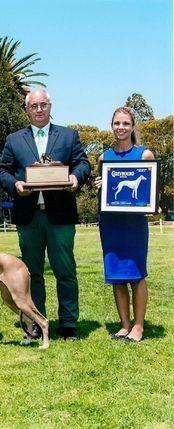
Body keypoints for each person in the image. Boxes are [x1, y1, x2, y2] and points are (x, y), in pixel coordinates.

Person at [0, 89, 90, 341]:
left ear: (50, 106)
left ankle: (69, 323)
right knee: (31, 273)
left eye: (43, 105)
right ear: (26, 110)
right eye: (34, 106)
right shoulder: (14, 139)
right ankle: (36, 323)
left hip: (60, 216)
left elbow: (83, 164)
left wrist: (75, 177)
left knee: (65, 271)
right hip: (29, 216)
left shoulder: (69, 136)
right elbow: (3, 171)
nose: (39, 110)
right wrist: (14, 185)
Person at [94, 107, 154, 342]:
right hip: (110, 223)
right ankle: (124, 325)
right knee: (116, 274)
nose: (121, 127)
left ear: (132, 127)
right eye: (117, 123)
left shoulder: (144, 155)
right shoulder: (104, 157)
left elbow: (150, 189)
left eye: (126, 123)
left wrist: (151, 205)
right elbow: (106, 194)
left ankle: (138, 326)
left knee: (137, 273)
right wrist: (100, 185)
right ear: (112, 126)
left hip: (134, 225)